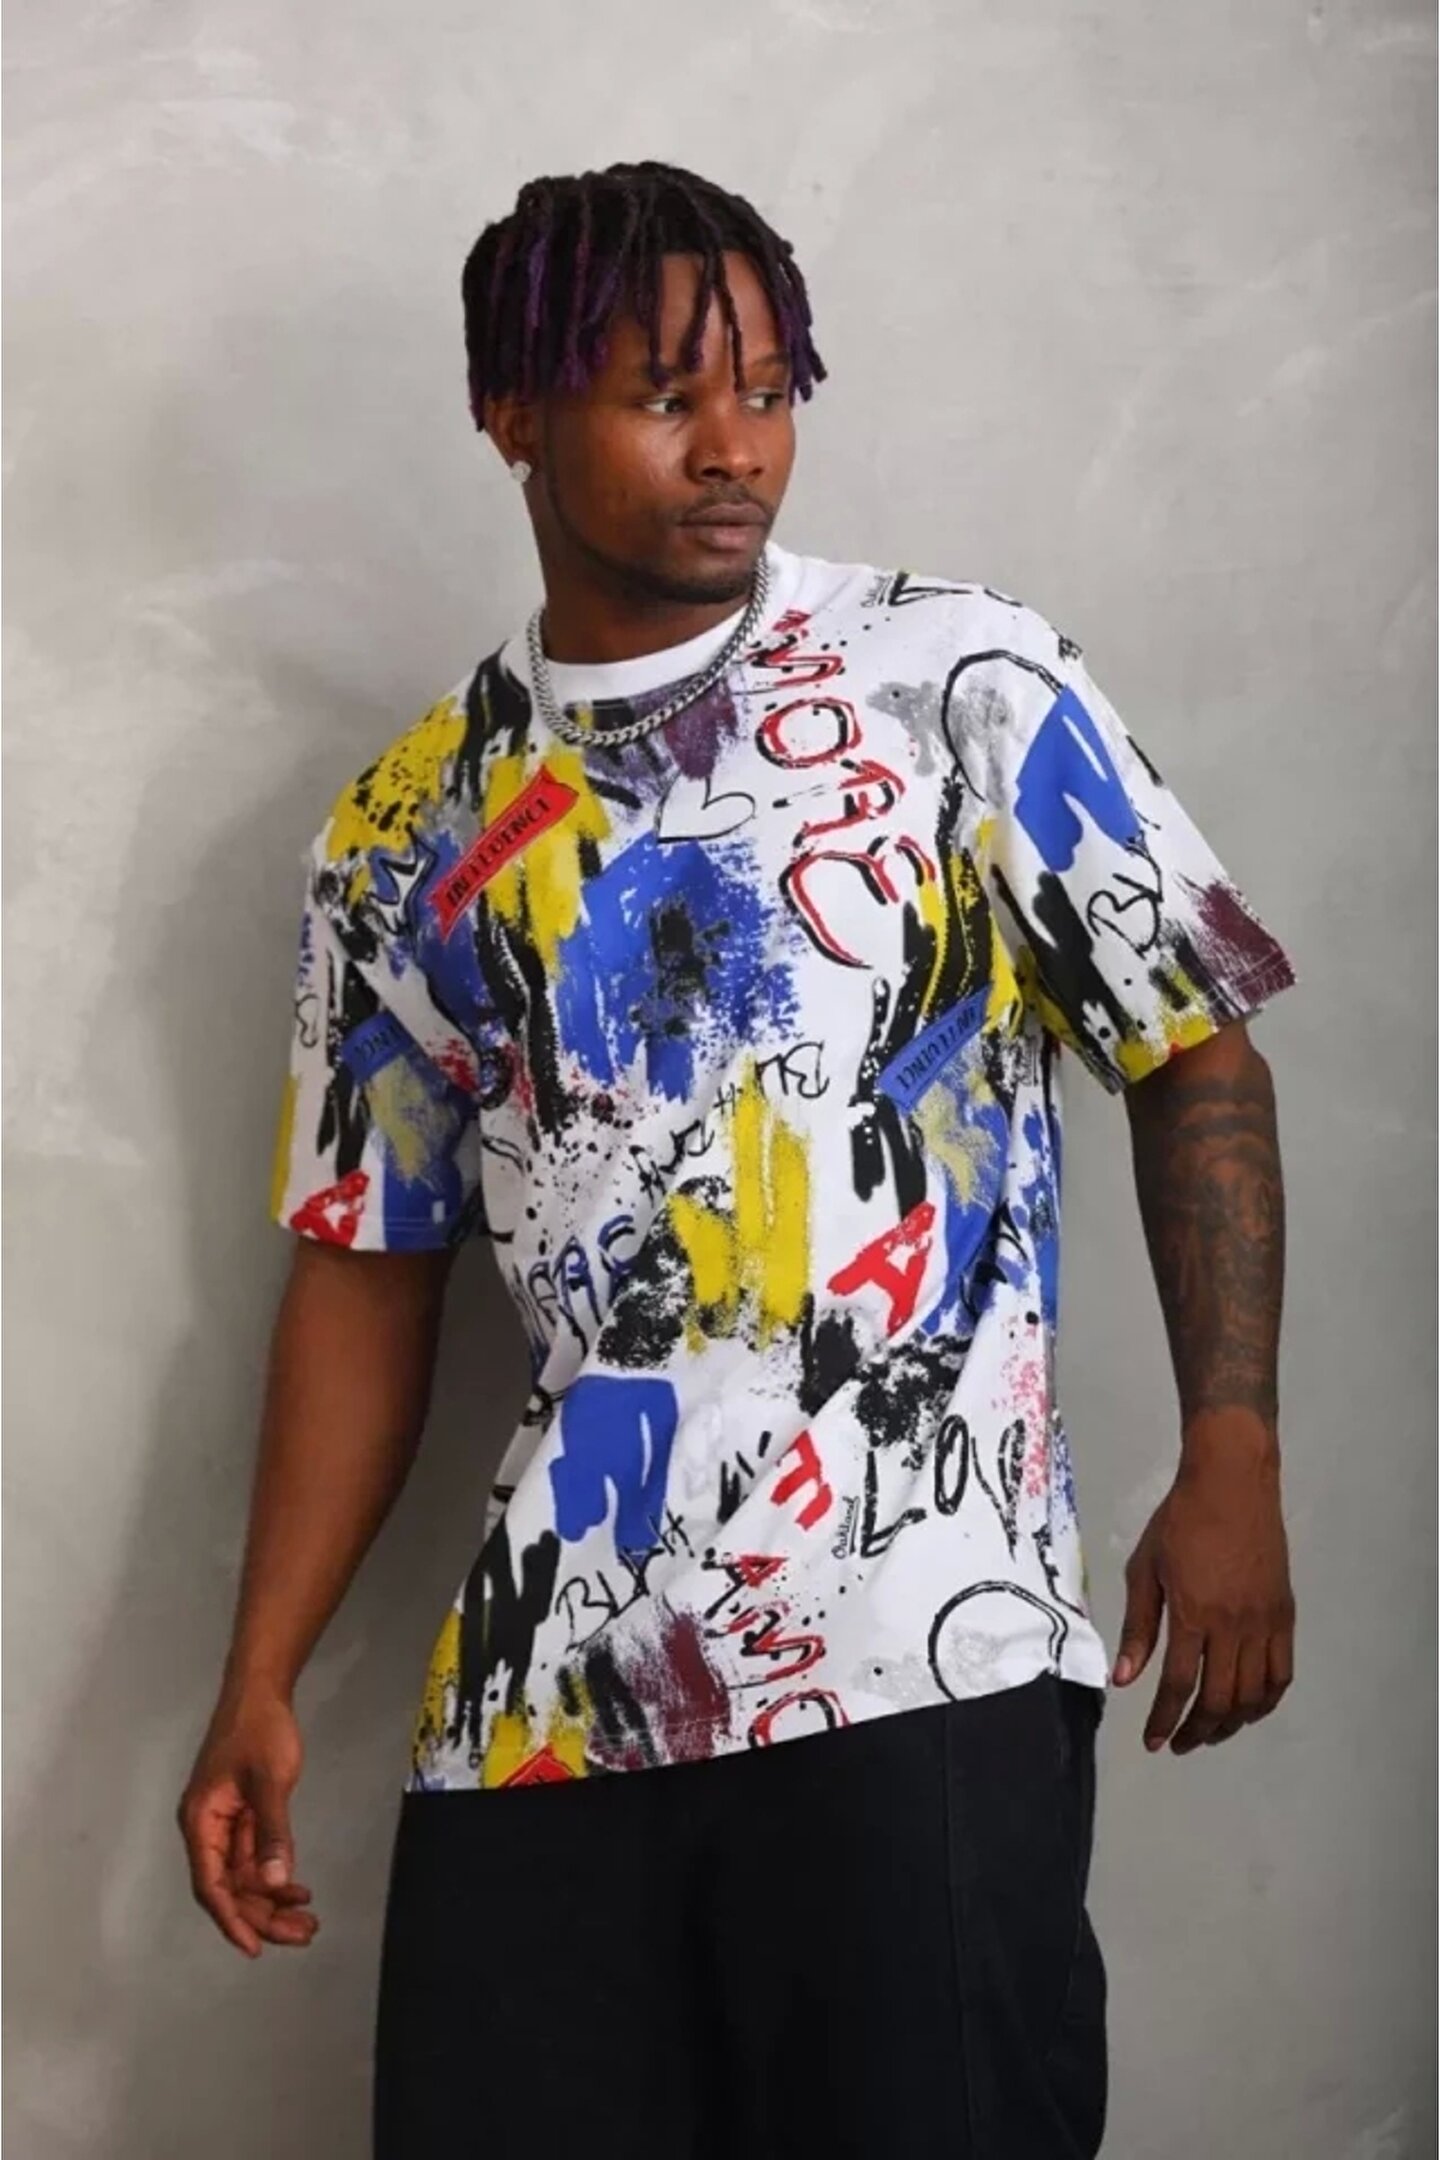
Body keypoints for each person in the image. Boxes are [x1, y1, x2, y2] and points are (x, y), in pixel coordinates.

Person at [177, 160, 1298, 2159]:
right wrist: (261, 1675)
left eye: (770, 390)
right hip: (538, 1715)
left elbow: (1189, 1043)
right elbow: (363, 1264)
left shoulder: (957, 680)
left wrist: (1234, 1453)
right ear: (511, 413)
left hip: (916, 1657)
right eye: (666, 395)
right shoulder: (408, 827)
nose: (736, 448)